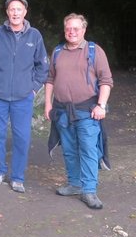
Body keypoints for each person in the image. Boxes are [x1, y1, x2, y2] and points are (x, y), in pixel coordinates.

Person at [0, 0, 48, 193]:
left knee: (22, 137)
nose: (15, 13)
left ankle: (17, 177)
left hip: (23, 97)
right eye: (12, 9)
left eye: (19, 9)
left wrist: (33, 88)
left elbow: (42, 66)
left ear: (25, 12)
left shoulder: (34, 36)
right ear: (7, 12)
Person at [44, 13, 113, 210]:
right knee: (69, 149)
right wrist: (48, 104)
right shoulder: (58, 51)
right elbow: (50, 79)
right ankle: (74, 184)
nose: (71, 32)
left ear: (83, 30)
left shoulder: (94, 51)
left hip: (87, 111)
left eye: (76, 28)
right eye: (68, 29)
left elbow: (106, 80)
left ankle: (89, 190)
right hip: (62, 110)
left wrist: (101, 105)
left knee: (89, 149)